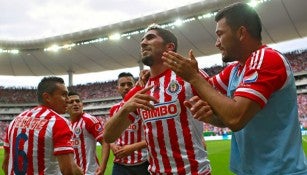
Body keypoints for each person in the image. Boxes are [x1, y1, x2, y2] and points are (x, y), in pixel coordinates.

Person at [162, 2, 307, 174]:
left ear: (241, 33)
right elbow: (207, 93)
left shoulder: (267, 58)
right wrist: (211, 117)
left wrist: (194, 76)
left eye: (220, 34)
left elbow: (236, 118)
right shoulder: (235, 69)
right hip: (248, 170)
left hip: (280, 171)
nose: (217, 43)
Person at [104, 24, 212, 174]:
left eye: (150, 37)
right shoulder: (142, 89)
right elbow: (109, 136)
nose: (142, 43)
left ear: (169, 47)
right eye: (142, 40)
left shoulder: (189, 75)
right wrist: (126, 109)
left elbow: (226, 114)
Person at [2, 76, 83, 175]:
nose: (67, 99)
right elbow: (68, 170)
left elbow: (5, 165)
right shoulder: (59, 122)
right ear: (47, 97)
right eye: (64, 95)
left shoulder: (15, 120)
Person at [107, 72, 150, 175]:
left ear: (135, 85)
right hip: (120, 165)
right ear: (117, 88)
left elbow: (155, 136)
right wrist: (112, 145)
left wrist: (132, 147)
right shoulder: (114, 109)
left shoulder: (144, 106)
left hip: (143, 163)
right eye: (122, 85)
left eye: (129, 84)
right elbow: (108, 133)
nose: (126, 87)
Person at [66, 91, 110, 175]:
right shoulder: (68, 125)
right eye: (71, 102)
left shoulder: (89, 120)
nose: (75, 104)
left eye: (78, 101)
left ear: (82, 104)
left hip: (90, 172)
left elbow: (105, 141)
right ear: (66, 107)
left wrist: (102, 167)